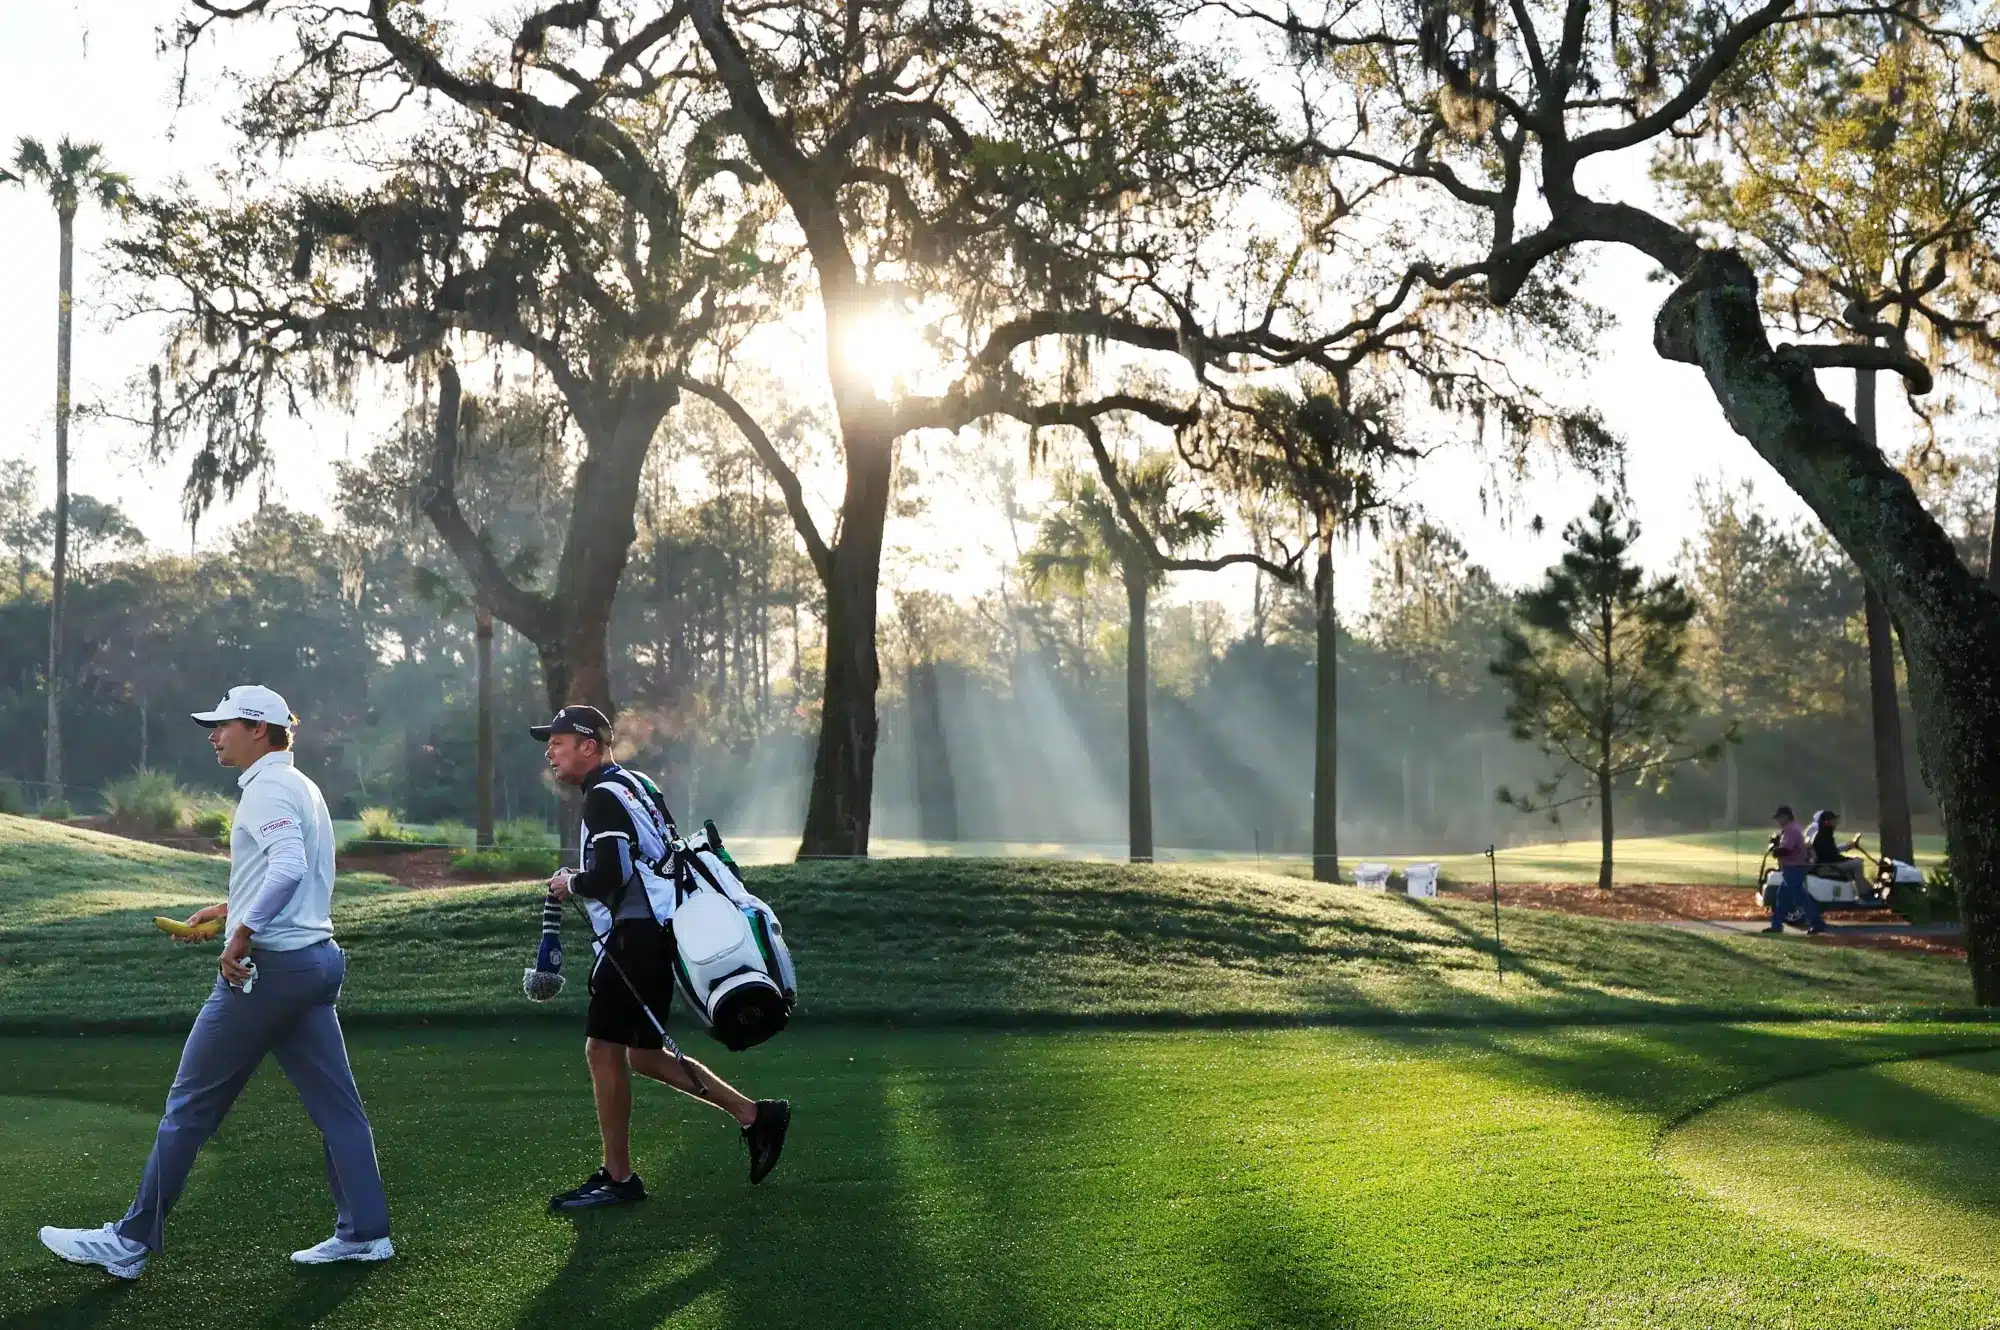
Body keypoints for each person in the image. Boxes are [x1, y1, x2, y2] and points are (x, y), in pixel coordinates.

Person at [39, 685, 392, 1280]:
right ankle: (365, 1233)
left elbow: (289, 867)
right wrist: (229, 909)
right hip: (317, 961)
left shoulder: (266, 790)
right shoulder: (300, 785)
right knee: (340, 1111)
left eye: (223, 724)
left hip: (271, 971)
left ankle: (129, 1242)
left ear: (258, 729)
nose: (213, 733)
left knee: (189, 1107)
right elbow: (287, 874)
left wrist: (243, 934)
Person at [534, 704, 790, 1210]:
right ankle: (755, 1116)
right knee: (644, 1055)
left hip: (635, 938)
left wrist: (569, 883)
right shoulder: (635, 784)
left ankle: (618, 1177)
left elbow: (611, 874)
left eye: (559, 742)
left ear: (589, 745)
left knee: (602, 1050)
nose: (551, 751)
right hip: (656, 931)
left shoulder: (602, 797)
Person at [1762, 804, 1827, 936]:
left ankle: (1817, 923)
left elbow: (1787, 849)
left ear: (1786, 816)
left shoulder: (1791, 830)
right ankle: (1777, 925)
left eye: (1779, 818)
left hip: (1794, 868)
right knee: (1782, 896)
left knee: (1801, 898)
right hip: (1794, 868)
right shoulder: (1793, 827)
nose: (1778, 821)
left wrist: (1775, 849)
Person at [1808, 809, 1864, 883]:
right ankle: (1863, 892)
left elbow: (1833, 853)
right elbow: (1832, 857)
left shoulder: (1827, 834)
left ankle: (1860, 889)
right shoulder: (1822, 836)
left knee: (1856, 863)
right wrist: (1849, 859)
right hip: (1826, 866)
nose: (1836, 822)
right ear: (1826, 822)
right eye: (1833, 820)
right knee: (1857, 864)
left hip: (1830, 864)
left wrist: (1849, 857)